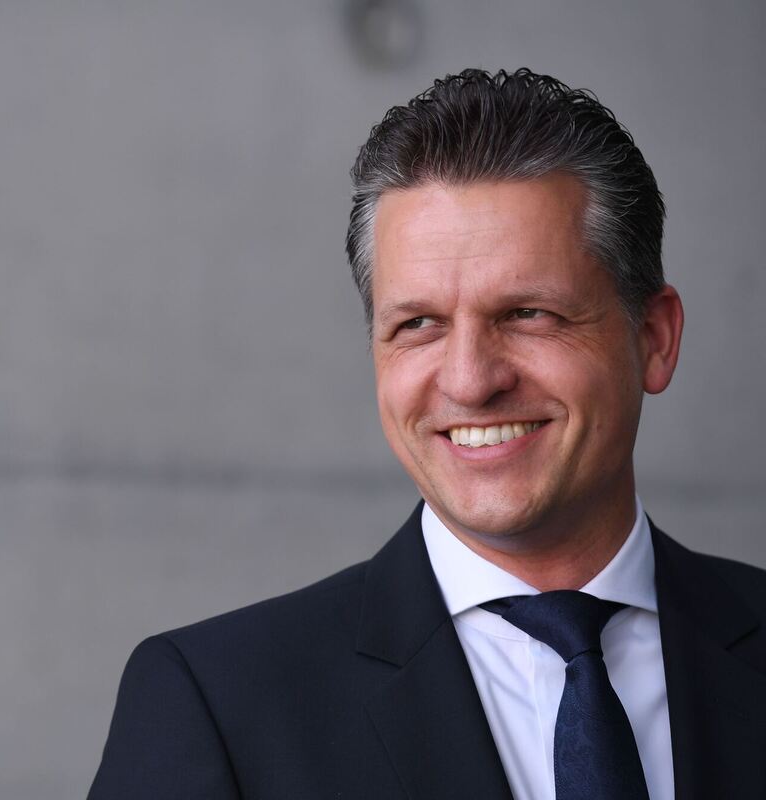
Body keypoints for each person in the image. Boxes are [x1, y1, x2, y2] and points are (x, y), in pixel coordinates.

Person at [87, 68, 766, 800]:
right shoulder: (216, 707)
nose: (470, 381)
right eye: (418, 325)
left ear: (655, 339)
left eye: (528, 314)